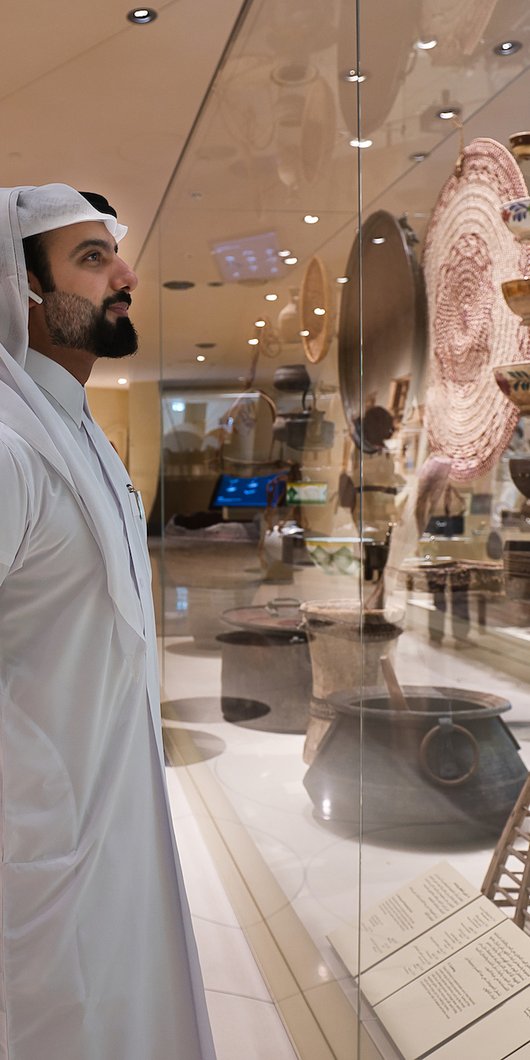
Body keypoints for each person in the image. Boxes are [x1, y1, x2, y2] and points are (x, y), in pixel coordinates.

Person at [0, 184, 216, 1059]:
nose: (125, 273)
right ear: (22, 289)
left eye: (114, 253)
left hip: (113, 813)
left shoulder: (76, 427)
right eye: (91, 259)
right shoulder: (11, 447)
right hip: (42, 846)